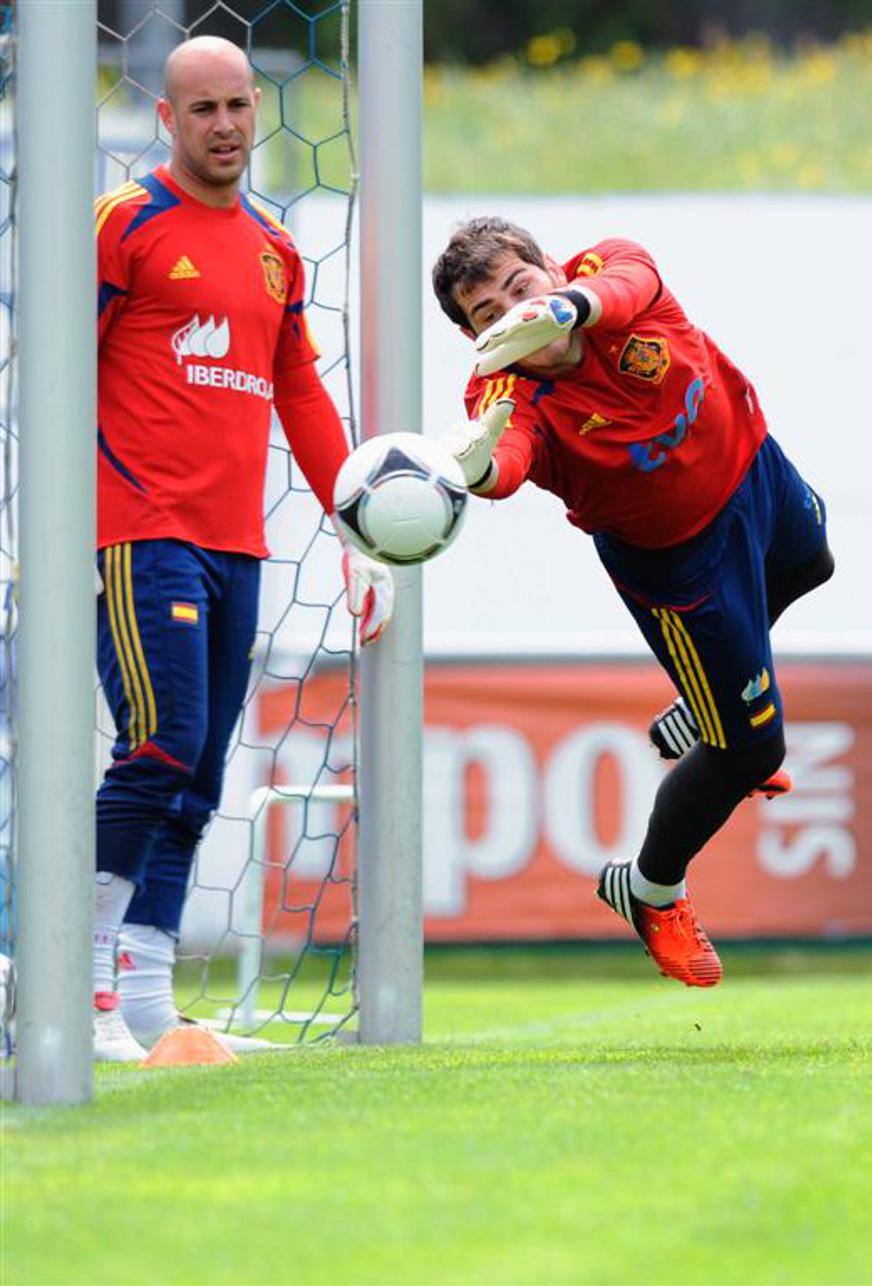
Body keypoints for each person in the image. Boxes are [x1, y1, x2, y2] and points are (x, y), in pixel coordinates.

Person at [433, 217, 834, 988]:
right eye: (489, 316)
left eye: (521, 288)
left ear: (552, 268)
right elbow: (507, 461)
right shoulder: (500, 393)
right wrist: (478, 470)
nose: (515, 314)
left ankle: (706, 698)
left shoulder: (607, 267)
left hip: (752, 463)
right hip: (680, 565)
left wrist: (565, 308)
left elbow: (628, 283)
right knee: (753, 750)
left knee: (813, 561)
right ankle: (650, 887)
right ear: (475, 338)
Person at [93, 36, 394, 1061]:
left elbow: (301, 391)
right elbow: (59, 364)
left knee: (203, 773)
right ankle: (78, 987)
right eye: (203, 108)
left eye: (238, 105)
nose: (225, 123)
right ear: (166, 122)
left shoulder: (274, 250)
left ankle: (142, 999)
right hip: (138, 531)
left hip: (235, 543)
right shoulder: (124, 226)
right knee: (161, 743)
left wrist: (357, 531)